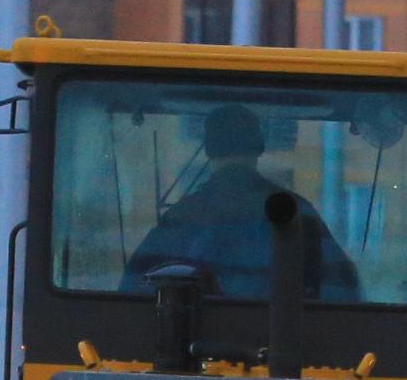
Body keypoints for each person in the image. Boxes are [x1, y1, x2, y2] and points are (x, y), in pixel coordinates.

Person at [127, 104, 361, 301]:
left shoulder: (181, 219)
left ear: (209, 149)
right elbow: (344, 294)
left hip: (186, 346)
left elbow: (132, 294)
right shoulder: (297, 215)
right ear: (259, 146)